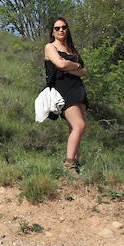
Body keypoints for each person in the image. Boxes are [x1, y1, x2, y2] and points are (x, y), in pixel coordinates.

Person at [44, 17, 88, 173]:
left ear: (67, 29)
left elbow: (84, 71)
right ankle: (69, 164)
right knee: (79, 125)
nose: (61, 30)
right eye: (57, 28)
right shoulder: (50, 47)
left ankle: (76, 162)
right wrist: (74, 66)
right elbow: (60, 64)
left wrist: (71, 66)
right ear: (53, 32)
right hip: (63, 90)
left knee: (75, 128)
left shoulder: (72, 49)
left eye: (64, 27)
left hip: (78, 89)